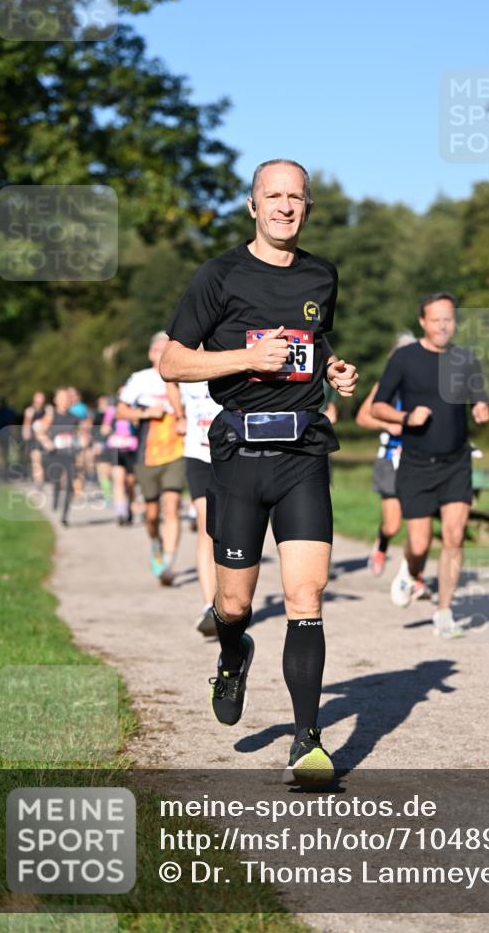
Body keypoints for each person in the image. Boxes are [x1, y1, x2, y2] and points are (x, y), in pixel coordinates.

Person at [160, 158, 357, 785]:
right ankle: (232, 650)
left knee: (306, 596)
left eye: (296, 197)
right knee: (235, 603)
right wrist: (245, 356)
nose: (285, 206)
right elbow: (172, 361)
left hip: (302, 454)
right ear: (252, 205)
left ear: (307, 206)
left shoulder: (322, 275)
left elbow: (316, 341)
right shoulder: (218, 275)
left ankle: (306, 742)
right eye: (273, 196)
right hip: (239, 456)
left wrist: (333, 369)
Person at [371, 293, 489, 638]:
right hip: (417, 463)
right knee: (420, 544)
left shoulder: (466, 358)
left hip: (456, 462)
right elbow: (378, 407)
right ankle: (411, 571)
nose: (443, 325)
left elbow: (477, 396)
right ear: (423, 322)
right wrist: (407, 416)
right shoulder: (405, 359)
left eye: (449, 319)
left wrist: (481, 408)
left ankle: (444, 612)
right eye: (436, 319)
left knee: (454, 537)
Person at [355, 332, 429, 593]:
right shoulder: (386, 385)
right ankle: (383, 542)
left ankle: (415, 575)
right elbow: (362, 418)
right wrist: (389, 424)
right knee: (394, 525)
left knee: (419, 524)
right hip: (390, 459)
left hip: (420, 460)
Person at [117, 333, 186, 585]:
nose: (162, 353)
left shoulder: (184, 378)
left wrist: (182, 419)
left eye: (167, 349)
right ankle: (155, 542)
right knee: (152, 513)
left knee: (172, 505)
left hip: (176, 451)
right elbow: (121, 411)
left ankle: (168, 563)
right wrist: (146, 412)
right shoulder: (140, 379)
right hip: (147, 453)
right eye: (158, 349)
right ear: (150, 354)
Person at [180, 369, 222, 636]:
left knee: (228, 530)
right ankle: (210, 605)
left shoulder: (231, 357)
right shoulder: (187, 364)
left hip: (230, 454)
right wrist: (176, 413)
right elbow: (169, 379)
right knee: (208, 527)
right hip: (197, 456)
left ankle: (230, 601)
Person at [37, 387, 80, 526]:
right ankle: (55, 500)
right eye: (61, 398)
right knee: (56, 480)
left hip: (69, 454)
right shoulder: (51, 415)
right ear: (56, 400)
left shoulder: (74, 417)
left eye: (67, 398)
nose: (64, 401)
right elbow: (40, 432)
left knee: (69, 484)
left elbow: (79, 435)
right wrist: (48, 443)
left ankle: (64, 516)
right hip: (54, 454)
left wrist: (81, 442)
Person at [102, 390, 138, 526]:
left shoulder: (135, 410)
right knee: (118, 480)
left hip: (131, 449)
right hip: (117, 449)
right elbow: (104, 429)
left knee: (130, 483)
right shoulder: (112, 411)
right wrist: (108, 430)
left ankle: (130, 509)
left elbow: (139, 428)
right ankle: (120, 512)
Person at [22, 391, 52, 486]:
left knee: (46, 461)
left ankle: (46, 477)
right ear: (34, 399)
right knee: (36, 460)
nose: (40, 400)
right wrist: (26, 435)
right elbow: (26, 425)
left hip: (46, 439)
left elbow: (50, 423)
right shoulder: (30, 411)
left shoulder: (47, 410)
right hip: (34, 439)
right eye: (38, 397)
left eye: (42, 397)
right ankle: (38, 481)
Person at [0, 398, 17, 481]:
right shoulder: (8, 411)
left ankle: (4, 472)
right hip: (4, 434)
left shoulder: (0, 412)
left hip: (4, 434)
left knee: (3, 455)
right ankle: (3, 472)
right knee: (3, 455)